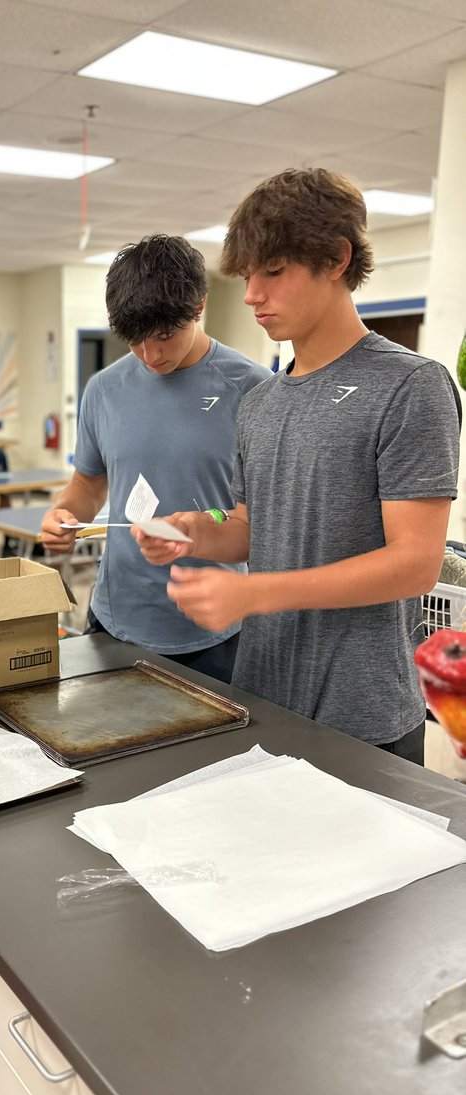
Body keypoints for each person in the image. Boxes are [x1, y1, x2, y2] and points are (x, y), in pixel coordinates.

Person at [134, 168, 461, 764]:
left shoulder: (411, 386)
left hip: (362, 714)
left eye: (274, 272)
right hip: (264, 697)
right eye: (248, 276)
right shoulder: (260, 400)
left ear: (336, 259)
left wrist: (255, 594)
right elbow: (250, 525)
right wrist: (197, 535)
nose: (253, 294)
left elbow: (415, 564)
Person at [41, 234, 272, 683]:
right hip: (114, 619)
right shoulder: (104, 390)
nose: (151, 355)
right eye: (134, 341)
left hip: (213, 631)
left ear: (199, 305)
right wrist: (65, 513)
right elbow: (88, 484)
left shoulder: (252, 390)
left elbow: (260, 523)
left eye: (165, 336)